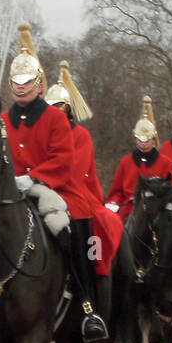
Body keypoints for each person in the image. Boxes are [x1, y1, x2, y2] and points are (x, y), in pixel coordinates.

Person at [0, 22, 108, 343]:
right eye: (16, 82)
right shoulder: (0, 120)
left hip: (49, 188)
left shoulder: (57, 118)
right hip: (6, 191)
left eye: (27, 81)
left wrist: (33, 177)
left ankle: (87, 307)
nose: (20, 87)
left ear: (39, 83)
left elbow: (63, 160)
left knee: (66, 230)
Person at [46, 60, 123, 280]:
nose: (54, 112)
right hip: (45, 192)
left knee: (93, 226)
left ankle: (90, 278)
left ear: (68, 108)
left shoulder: (81, 136)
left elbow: (73, 173)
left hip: (77, 193)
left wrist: (42, 182)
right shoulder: (44, 133)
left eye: (58, 107)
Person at [105, 95, 172, 224]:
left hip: (157, 211)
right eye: (140, 139)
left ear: (153, 139)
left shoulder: (165, 163)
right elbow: (117, 191)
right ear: (135, 139)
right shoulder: (126, 162)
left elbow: (171, 189)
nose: (143, 143)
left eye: (146, 140)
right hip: (129, 210)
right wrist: (113, 204)